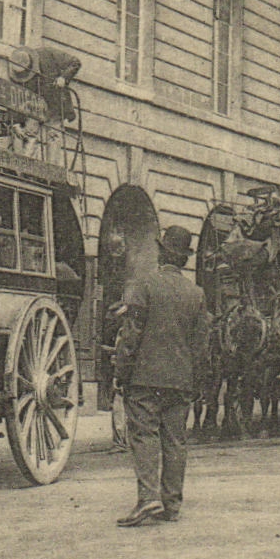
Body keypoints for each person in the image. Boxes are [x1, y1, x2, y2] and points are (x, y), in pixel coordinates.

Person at [112, 225, 210, 527]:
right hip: (180, 381)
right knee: (175, 441)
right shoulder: (196, 294)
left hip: (145, 379)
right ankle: (172, 504)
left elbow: (131, 336)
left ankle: (148, 498)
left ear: (163, 253)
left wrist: (121, 373)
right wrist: (196, 383)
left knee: (144, 436)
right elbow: (201, 346)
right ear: (183, 259)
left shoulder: (144, 285)